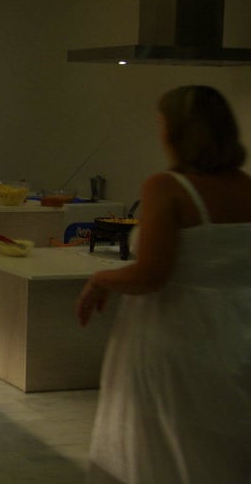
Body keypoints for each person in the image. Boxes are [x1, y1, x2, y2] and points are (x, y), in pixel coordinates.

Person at [75, 85, 251, 484]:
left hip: (179, 332)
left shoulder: (167, 187)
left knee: (169, 445)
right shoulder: (247, 186)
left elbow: (150, 275)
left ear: (178, 132)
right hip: (239, 329)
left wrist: (100, 278)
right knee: (225, 447)